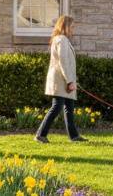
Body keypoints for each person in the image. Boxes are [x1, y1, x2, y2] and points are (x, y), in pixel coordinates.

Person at [35, 15, 88, 143]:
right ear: (65, 26)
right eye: (72, 27)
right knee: (57, 107)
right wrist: (70, 81)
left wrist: (71, 80)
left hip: (63, 79)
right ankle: (40, 134)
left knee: (69, 107)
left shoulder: (61, 39)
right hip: (61, 80)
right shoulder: (62, 40)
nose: (73, 29)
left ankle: (74, 136)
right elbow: (63, 61)